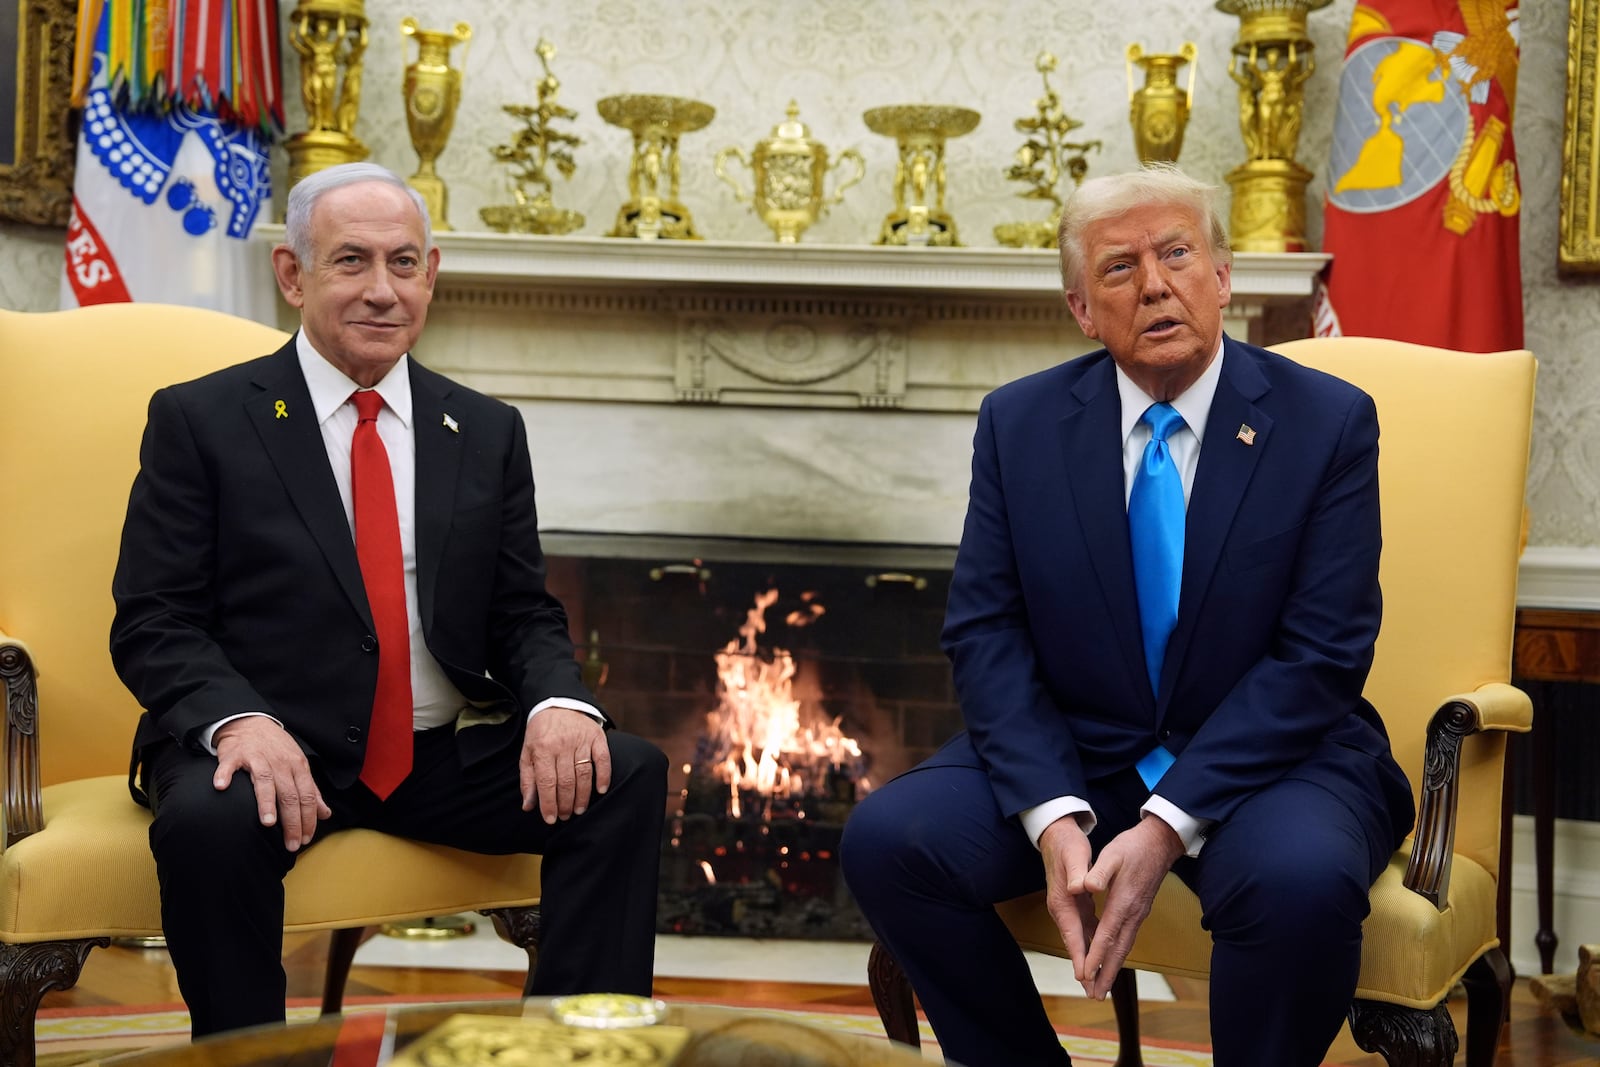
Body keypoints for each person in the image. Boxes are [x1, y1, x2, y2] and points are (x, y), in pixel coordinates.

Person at [840, 164, 1415, 1067]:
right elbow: (986, 632)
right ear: (1081, 307)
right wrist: (1054, 814)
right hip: (1086, 750)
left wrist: (1164, 824)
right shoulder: (1019, 424)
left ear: (1221, 277)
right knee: (891, 840)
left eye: (1177, 254)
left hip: (1275, 757)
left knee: (1298, 880)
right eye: (1119, 268)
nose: (1154, 283)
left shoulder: (1327, 422)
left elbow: (1322, 654)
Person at [110, 161, 667, 1038]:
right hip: (268, 746)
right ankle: (249, 1063)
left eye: (404, 264)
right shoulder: (204, 419)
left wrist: (561, 702)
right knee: (208, 826)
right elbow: (154, 617)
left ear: (432, 273)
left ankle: (570, 1050)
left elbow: (521, 609)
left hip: (430, 755)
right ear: (292, 275)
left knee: (621, 773)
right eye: (351, 262)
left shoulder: (484, 429)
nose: (382, 290)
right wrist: (239, 722)